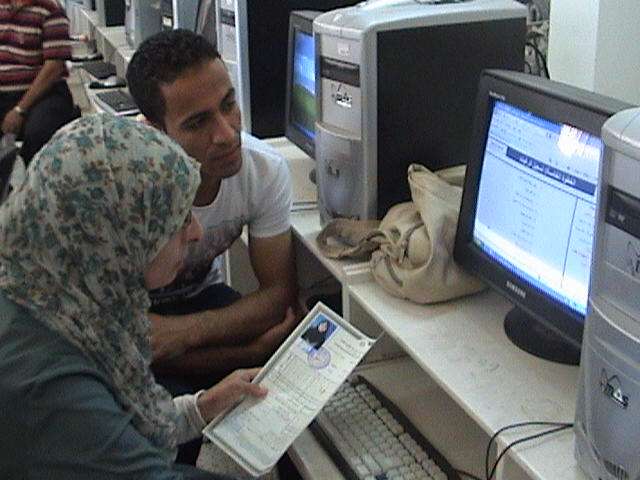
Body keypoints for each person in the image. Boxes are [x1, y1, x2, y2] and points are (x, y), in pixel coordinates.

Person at [0, 113, 280, 479]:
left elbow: (124, 422)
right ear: (114, 234)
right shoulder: (49, 379)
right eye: (179, 218)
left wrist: (201, 407)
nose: (196, 232)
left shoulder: (58, 296)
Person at [126, 29, 300, 391]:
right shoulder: (126, 188)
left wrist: (188, 333)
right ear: (156, 131)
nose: (226, 134)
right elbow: (121, 345)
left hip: (197, 306)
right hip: (129, 323)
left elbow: (277, 296)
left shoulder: (263, 169)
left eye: (228, 104)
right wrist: (245, 353)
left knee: (286, 356)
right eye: (197, 122)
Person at [0, 0, 78, 164]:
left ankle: (33, 176)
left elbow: (54, 67)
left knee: (38, 132)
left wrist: (20, 109)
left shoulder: (50, 9)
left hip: (43, 94)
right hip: (4, 94)